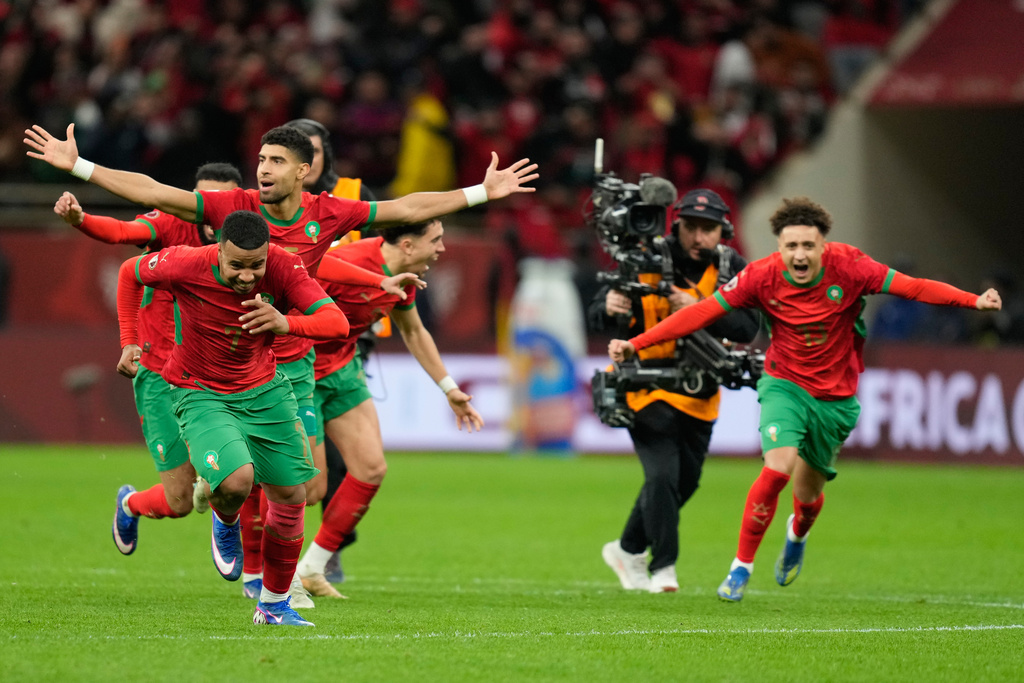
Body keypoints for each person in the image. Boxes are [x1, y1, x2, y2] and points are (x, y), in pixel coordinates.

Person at [26, 120, 537, 595]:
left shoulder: (328, 213)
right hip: (219, 363)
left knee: (305, 486)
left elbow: (404, 209)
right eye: (261, 160)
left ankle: (269, 561)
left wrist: (480, 192)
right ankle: (257, 573)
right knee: (240, 481)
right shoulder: (235, 208)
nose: (263, 170)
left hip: (291, 361)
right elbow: (155, 192)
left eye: (275, 161)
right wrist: (79, 167)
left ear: (303, 171)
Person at [609, 197, 1002, 602]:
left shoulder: (852, 267)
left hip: (835, 398)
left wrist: (972, 300)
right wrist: (637, 343)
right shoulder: (760, 275)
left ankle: (797, 534)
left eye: (808, 246)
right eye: (791, 246)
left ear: (823, 245)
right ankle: (741, 567)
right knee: (776, 470)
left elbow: (913, 287)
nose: (799, 255)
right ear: (779, 247)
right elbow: (701, 313)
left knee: (808, 497)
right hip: (785, 385)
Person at [115, 209, 351, 626]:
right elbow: (129, 272)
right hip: (199, 391)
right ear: (219, 250)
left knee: (292, 495)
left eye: (255, 265)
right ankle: (225, 520)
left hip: (264, 389)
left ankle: (273, 605)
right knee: (236, 481)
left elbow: (336, 323)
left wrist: (286, 322)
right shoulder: (184, 262)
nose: (247, 276)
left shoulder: (282, 265)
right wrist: (129, 340)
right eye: (237, 265)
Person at [53, 163, 242, 551]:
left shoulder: (248, 239)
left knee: (239, 472)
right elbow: (123, 232)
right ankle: (130, 504)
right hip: (160, 374)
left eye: (221, 200)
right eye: (204, 199)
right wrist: (81, 220)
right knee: (179, 500)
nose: (212, 208)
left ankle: (242, 547)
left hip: (217, 373)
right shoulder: (173, 223)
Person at [296, 217, 484, 597]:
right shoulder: (347, 261)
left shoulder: (406, 279)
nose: (442, 248)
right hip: (300, 372)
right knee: (310, 489)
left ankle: (312, 568)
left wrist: (449, 389)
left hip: (343, 370)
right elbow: (292, 281)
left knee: (371, 468)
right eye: (436, 240)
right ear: (408, 245)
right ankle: (234, 487)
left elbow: (413, 331)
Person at [590, 189, 760, 593]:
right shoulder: (646, 256)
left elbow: (748, 327)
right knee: (663, 476)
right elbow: (598, 313)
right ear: (676, 225)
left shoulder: (732, 267)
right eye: (691, 227)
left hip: (700, 392)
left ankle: (627, 548)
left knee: (684, 482)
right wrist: (608, 306)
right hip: (645, 387)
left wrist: (700, 305)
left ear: (724, 230)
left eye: (708, 229)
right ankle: (663, 568)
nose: (699, 237)